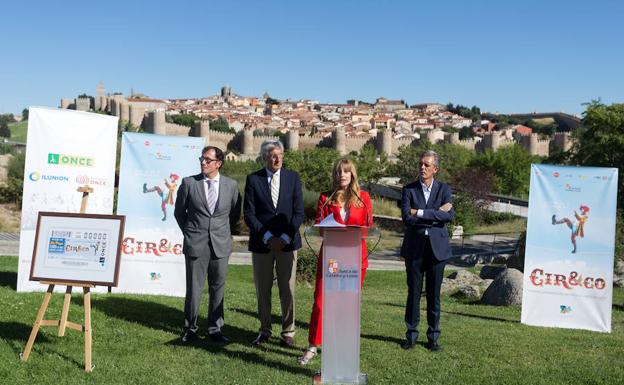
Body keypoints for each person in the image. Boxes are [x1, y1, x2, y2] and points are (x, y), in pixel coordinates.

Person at [298, 158, 373, 365]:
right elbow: (319, 227)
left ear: (352, 175)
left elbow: (369, 225)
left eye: (346, 172)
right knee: (321, 303)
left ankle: (342, 345)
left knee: (348, 304)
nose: (342, 175)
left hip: (355, 257)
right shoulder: (325, 197)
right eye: (339, 172)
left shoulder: (363, 197)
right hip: (332, 257)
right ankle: (313, 346)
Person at [174, 146, 241, 344]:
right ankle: (190, 329)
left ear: (218, 163)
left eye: (207, 160)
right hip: (196, 243)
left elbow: (234, 214)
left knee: (217, 288)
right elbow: (179, 213)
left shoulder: (231, 185)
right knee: (194, 289)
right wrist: (191, 233)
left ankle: (215, 329)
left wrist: (221, 233)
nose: (203, 162)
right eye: (202, 159)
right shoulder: (189, 183)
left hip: (220, 244)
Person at [244, 140, 304, 348]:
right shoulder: (253, 179)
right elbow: (249, 214)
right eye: (272, 155)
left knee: (287, 289)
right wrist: (268, 237)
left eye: (280, 155)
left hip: (288, 244)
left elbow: (299, 213)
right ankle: (264, 330)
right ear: (264, 157)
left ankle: (288, 331)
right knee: (263, 289)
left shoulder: (293, 178)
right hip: (262, 244)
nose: (277, 159)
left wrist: (285, 238)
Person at [400, 150, 454, 352]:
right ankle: (411, 335)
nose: (422, 167)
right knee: (413, 293)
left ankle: (433, 337)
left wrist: (420, 212)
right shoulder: (409, 190)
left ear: (435, 169)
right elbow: (407, 218)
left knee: (434, 295)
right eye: (420, 164)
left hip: (437, 251)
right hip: (414, 249)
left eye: (426, 165)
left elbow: (449, 217)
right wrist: (436, 214)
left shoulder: (444, 190)